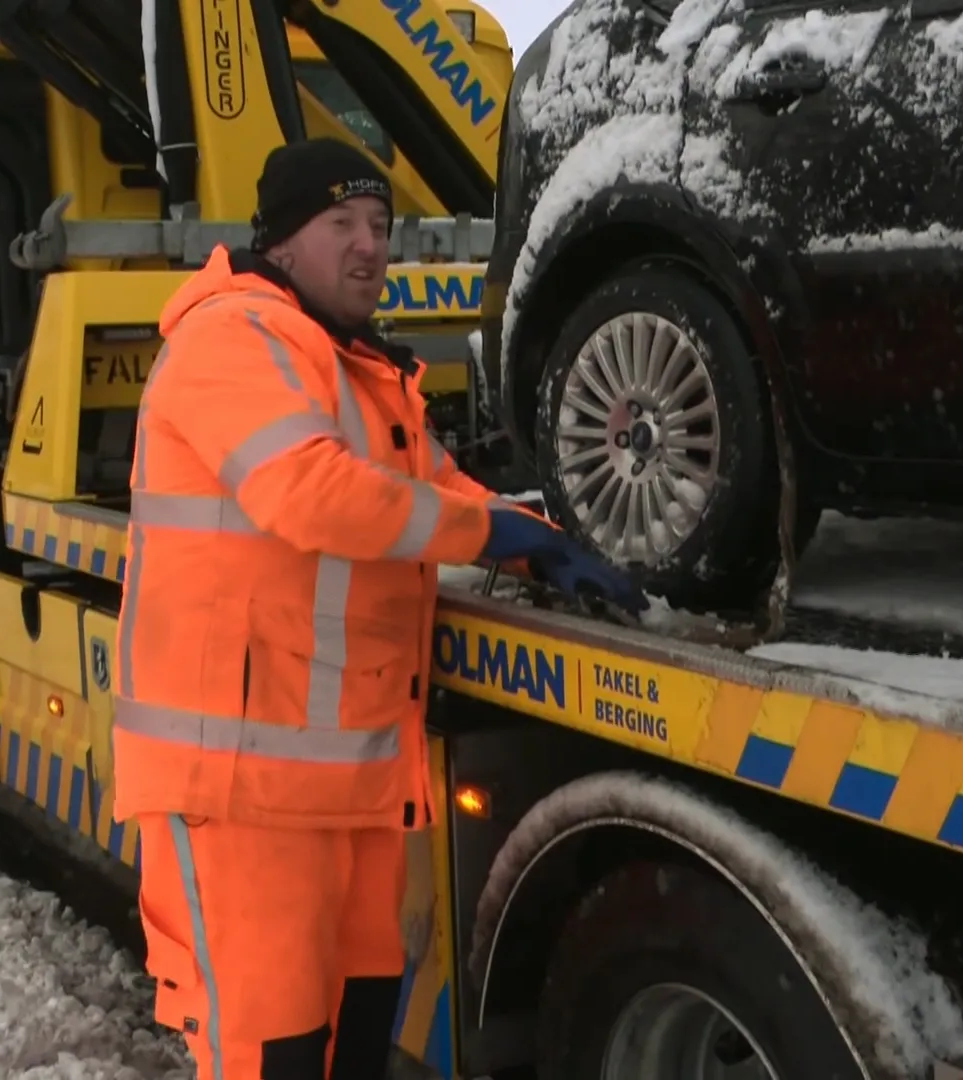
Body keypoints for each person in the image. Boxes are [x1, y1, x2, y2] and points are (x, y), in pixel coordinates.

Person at [110, 138, 646, 1080]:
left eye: (380, 225)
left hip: (349, 783)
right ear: (281, 240)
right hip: (241, 793)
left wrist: (541, 539)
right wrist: (492, 536)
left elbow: (435, 488)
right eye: (341, 223)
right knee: (271, 1055)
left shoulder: (356, 369)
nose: (370, 245)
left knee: (354, 1043)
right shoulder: (231, 337)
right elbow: (311, 493)